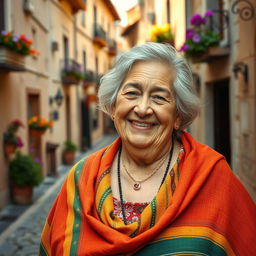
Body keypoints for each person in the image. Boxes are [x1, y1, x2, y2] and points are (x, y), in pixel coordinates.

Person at [39, 42, 256, 255]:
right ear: (114, 106)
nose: (142, 109)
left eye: (159, 98)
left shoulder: (212, 177)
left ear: (178, 116)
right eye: (132, 93)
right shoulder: (82, 178)